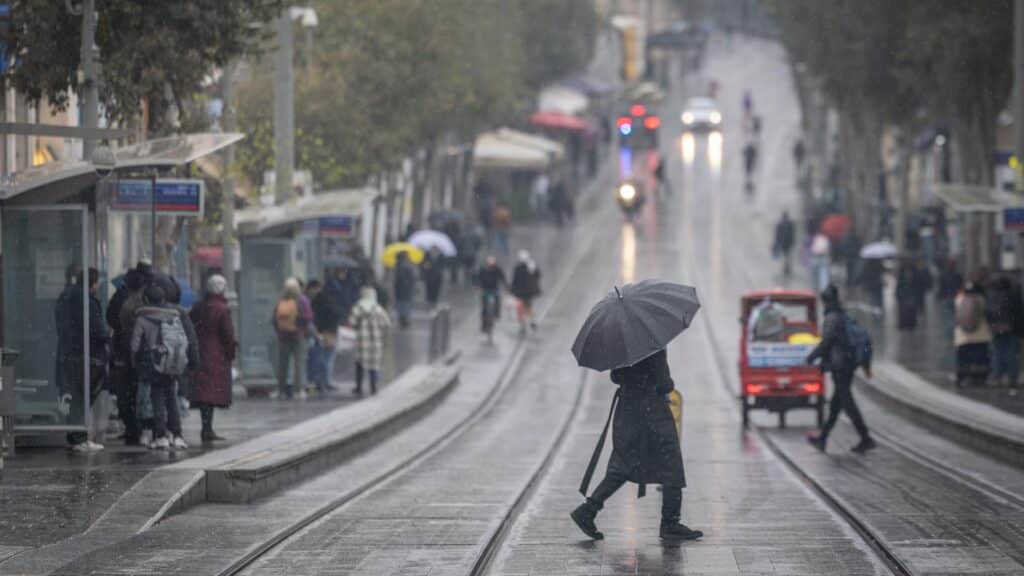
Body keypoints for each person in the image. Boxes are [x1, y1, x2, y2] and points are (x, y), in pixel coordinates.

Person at [570, 350, 702, 542]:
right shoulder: (653, 343)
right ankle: (670, 523)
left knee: (624, 463)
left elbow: (615, 376)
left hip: (628, 409)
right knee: (670, 461)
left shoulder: (621, 343)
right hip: (652, 411)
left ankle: (588, 510)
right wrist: (665, 385)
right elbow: (664, 381)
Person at [806, 284, 876, 454]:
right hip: (848, 364)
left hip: (840, 366)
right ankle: (822, 438)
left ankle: (866, 438)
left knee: (848, 404)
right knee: (836, 404)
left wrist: (811, 357)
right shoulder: (843, 315)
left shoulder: (832, 318)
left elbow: (827, 342)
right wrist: (865, 365)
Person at [131, 285, 190, 450]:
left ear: (146, 299)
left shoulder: (142, 318)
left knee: (157, 397)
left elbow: (135, 345)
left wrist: (135, 362)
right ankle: (177, 435)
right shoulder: (174, 316)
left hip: (154, 361)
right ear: (163, 299)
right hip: (172, 360)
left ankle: (161, 435)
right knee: (172, 397)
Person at [61, 268, 109, 452]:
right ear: (93, 284)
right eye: (97, 282)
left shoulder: (67, 298)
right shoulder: (87, 302)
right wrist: (107, 335)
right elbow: (98, 330)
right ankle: (79, 437)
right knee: (82, 397)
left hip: (73, 352)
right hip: (87, 355)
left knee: (77, 397)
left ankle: (75, 435)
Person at [188, 275, 236, 442]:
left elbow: (191, 325)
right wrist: (231, 352)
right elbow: (227, 334)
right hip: (217, 354)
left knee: (204, 392)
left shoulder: (199, 306)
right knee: (210, 391)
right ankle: (207, 429)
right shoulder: (222, 309)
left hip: (200, 350)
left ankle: (206, 427)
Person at [107, 268, 148, 445]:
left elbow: (110, 318)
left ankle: (132, 427)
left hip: (123, 352)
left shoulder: (121, 299)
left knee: (126, 392)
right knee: (140, 391)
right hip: (141, 354)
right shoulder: (147, 301)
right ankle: (141, 426)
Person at [348, 286, 391, 396]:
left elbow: (351, 322)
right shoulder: (378, 308)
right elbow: (386, 323)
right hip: (376, 341)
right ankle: (373, 387)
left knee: (360, 363)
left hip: (362, 340)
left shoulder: (358, 307)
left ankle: (359, 387)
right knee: (374, 364)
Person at [955, 275, 992, 387]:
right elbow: (987, 313)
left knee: (964, 359)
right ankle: (979, 379)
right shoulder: (981, 299)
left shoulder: (959, 299)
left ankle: (962, 377)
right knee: (980, 359)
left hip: (962, 336)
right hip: (981, 335)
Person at [272, 278, 305, 399]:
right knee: (298, 363)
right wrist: (301, 329)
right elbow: (308, 317)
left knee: (283, 364)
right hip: (297, 336)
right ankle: (298, 390)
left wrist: (279, 331)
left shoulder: (281, 301)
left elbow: (274, 319)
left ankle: (281, 390)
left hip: (283, 336)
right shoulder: (301, 301)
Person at [987, 276, 1021, 388]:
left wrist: (992, 324)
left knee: (997, 353)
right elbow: (1017, 312)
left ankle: (998, 376)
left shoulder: (993, 295)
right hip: (1010, 328)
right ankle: (1012, 378)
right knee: (1011, 354)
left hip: (996, 328)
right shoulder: (1013, 295)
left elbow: (989, 312)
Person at [311, 278, 342, 392]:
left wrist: (320, 329)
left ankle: (321, 382)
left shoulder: (318, 301)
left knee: (322, 358)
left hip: (324, 332)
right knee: (327, 358)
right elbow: (336, 314)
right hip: (330, 331)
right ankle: (325, 381)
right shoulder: (330, 300)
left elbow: (317, 317)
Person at [510, 251, 541, 332]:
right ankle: (532, 320)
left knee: (520, 307)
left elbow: (515, 280)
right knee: (528, 306)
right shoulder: (531, 266)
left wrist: (512, 289)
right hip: (529, 291)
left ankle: (522, 323)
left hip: (520, 292)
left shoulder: (518, 268)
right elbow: (537, 276)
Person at [475, 256, 507, 332]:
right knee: (484, 308)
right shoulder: (482, 269)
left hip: (494, 289)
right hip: (485, 289)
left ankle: (496, 314)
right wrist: (477, 285)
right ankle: (484, 324)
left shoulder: (497, 269)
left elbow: (502, 277)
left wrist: (506, 286)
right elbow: (477, 278)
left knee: (497, 301)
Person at [937, 258, 963, 338]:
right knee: (954, 317)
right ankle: (954, 333)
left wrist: (939, 296)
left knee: (948, 318)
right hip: (955, 297)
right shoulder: (958, 275)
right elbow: (961, 287)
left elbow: (941, 287)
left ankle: (950, 334)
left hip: (947, 297)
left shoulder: (943, 275)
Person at [394, 252, 417, 329]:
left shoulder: (401, 266)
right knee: (405, 304)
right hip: (406, 290)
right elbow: (412, 278)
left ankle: (403, 320)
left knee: (402, 304)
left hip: (402, 290)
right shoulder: (408, 265)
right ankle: (404, 319)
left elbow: (400, 279)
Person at [895, 265, 920, 331]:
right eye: (907, 273)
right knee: (903, 314)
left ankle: (911, 326)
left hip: (911, 300)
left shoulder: (914, 281)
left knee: (911, 314)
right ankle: (904, 326)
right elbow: (898, 291)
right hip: (903, 301)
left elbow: (917, 291)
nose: (908, 274)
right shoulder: (901, 282)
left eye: (909, 273)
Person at [772, 211, 796, 276]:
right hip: (788, 242)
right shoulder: (791, 224)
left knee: (785, 255)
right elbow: (793, 234)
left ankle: (786, 267)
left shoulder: (780, 224)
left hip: (783, 242)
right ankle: (787, 267)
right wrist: (793, 241)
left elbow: (777, 234)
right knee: (787, 255)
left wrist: (777, 242)